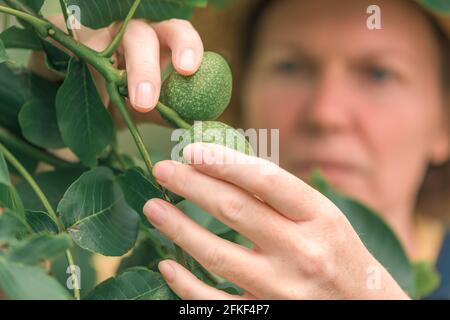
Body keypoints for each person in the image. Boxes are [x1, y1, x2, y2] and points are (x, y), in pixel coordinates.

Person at [31, 0, 450, 299]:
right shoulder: (123, 265)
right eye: (290, 66)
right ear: (241, 98)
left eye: (379, 73)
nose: (326, 113)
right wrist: (62, 99)